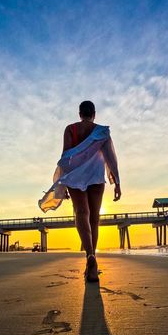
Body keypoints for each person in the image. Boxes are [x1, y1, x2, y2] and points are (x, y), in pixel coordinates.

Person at [38, 101, 121, 282]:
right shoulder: (102, 132)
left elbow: (66, 157)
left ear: (79, 113)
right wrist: (117, 181)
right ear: (94, 114)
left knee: (81, 213)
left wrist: (63, 182)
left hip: (75, 177)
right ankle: (93, 261)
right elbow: (110, 157)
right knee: (94, 218)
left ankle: (89, 255)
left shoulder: (70, 129)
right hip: (96, 176)